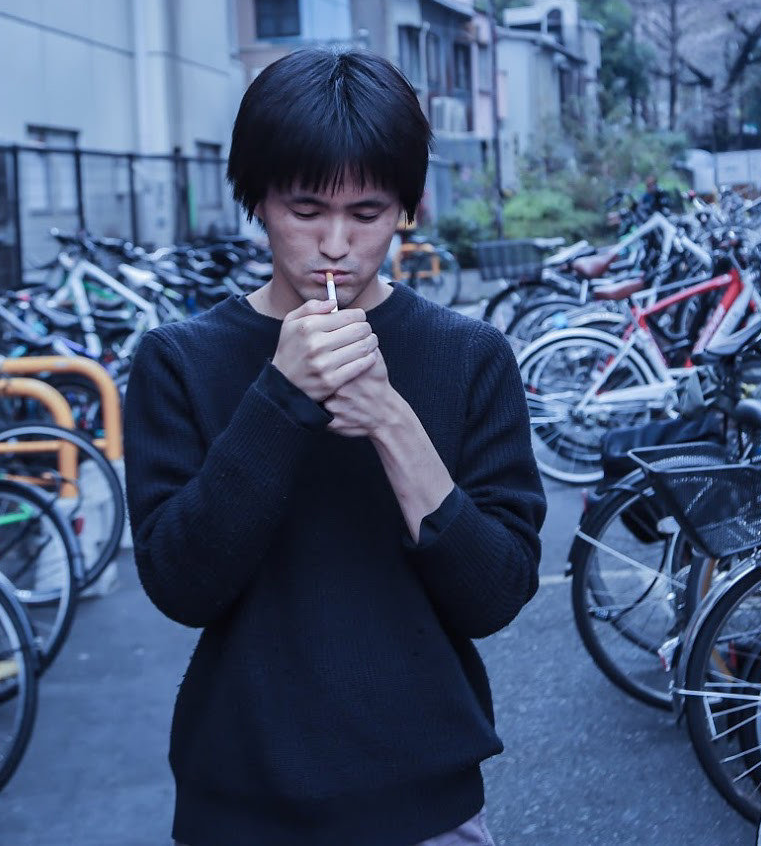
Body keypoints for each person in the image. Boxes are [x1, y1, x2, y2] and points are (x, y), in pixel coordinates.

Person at [124, 46, 547, 846]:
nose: (336, 245)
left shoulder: (467, 355)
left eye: (368, 213)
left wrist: (390, 420)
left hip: (427, 798)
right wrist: (279, 397)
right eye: (306, 209)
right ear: (258, 199)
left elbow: (494, 597)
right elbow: (182, 586)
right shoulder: (179, 361)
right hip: (240, 801)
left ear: (405, 209)